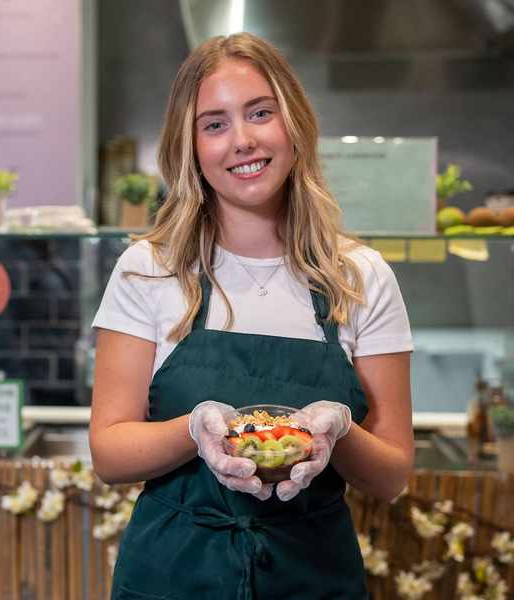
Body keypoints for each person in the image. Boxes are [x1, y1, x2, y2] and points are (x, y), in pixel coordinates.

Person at [89, 32, 414, 599]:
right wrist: (193, 430)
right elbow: (109, 452)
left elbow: (392, 476)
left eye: (260, 113)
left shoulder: (361, 276)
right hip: (172, 576)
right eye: (214, 124)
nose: (241, 140)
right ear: (190, 147)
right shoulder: (150, 269)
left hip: (314, 578)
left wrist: (338, 430)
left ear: (294, 125)